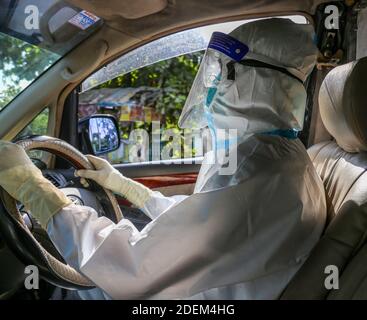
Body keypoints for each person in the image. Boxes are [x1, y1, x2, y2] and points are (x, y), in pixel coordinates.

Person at [0, 18, 326, 300]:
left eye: (224, 74)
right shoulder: (277, 156)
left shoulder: (257, 167)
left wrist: (35, 190)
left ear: (261, 81)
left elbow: (132, 266)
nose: (210, 88)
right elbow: (197, 223)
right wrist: (127, 187)